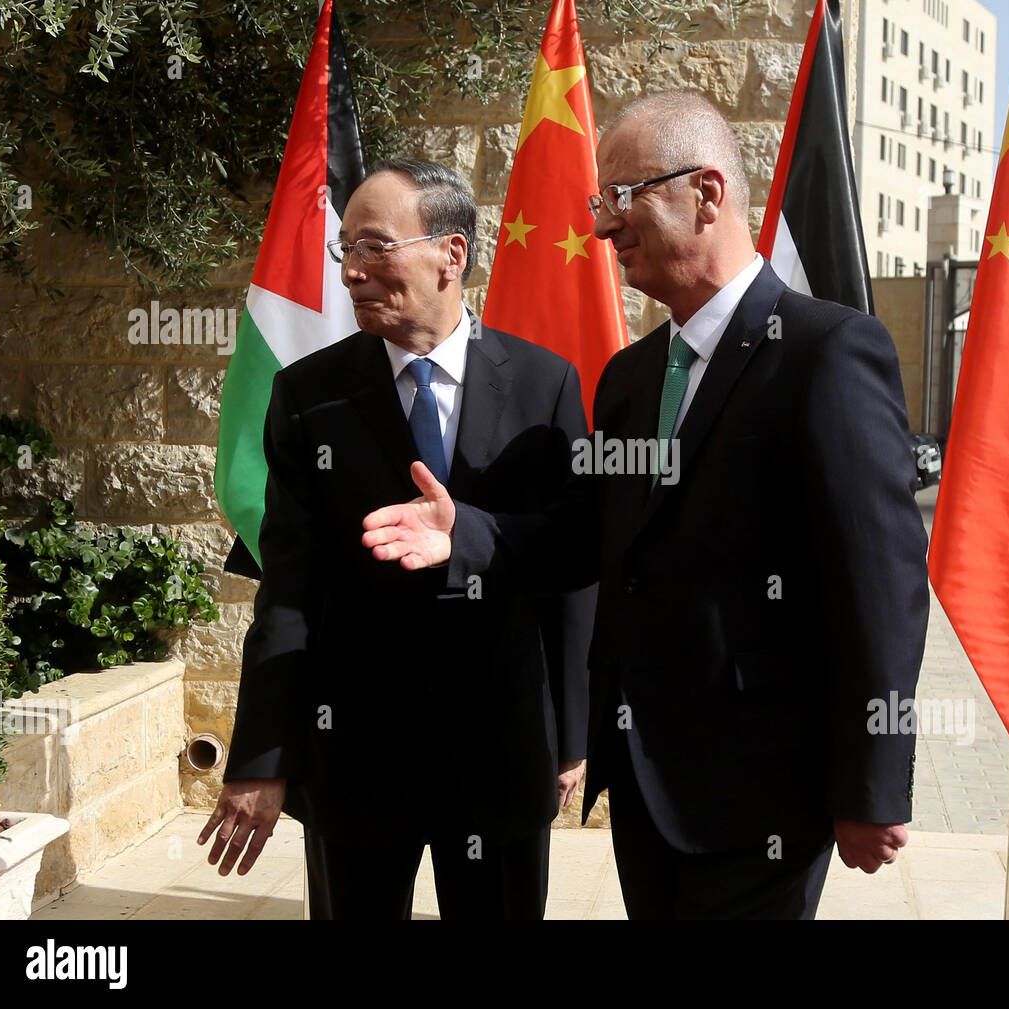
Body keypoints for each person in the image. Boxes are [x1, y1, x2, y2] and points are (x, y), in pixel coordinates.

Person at [362, 93, 930, 919]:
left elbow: (883, 583)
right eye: (600, 203)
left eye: (622, 198)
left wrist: (875, 781)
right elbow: (593, 539)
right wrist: (469, 533)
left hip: (760, 793)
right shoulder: (629, 378)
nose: (602, 226)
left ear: (707, 192)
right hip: (642, 784)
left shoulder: (827, 352)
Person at [198, 159, 593, 920]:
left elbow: (570, 562)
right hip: (355, 761)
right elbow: (288, 590)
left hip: (500, 753)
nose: (350, 271)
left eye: (375, 247)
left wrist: (571, 733)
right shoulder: (310, 395)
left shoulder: (546, 386)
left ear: (452, 254)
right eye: (345, 249)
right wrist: (261, 757)